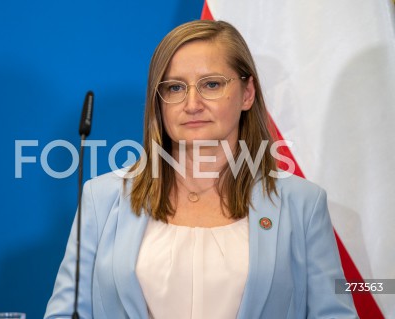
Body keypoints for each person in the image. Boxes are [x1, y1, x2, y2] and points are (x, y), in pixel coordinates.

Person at [44, 20, 357, 319]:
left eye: (211, 84)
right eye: (175, 88)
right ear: (159, 100)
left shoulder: (303, 204)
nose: (192, 104)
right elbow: (63, 313)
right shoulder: (102, 198)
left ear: (247, 93)